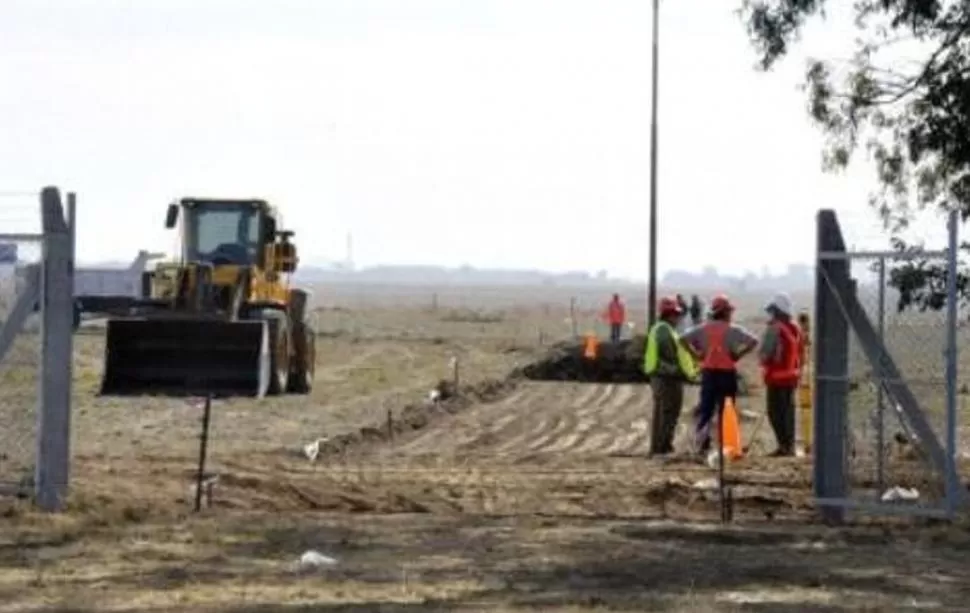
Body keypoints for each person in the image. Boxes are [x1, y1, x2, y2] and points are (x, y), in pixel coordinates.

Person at [681, 294, 759, 454]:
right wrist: (738, 354)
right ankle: (728, 445)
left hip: (709, 372)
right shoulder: (733, 330)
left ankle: (701, 445)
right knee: (727, 410)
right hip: (726, 374)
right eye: (729, 312)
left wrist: (696, 355)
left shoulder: (703, 328)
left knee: (706, 409)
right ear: (725, 313)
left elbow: (682, 339)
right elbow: (754, 341)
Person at [643, 296, 699, 456]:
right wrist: (681, 372)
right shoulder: (664, 331)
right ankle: (662, 447)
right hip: (667, 379)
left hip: (664, 377)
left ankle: (660, 447)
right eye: (676, 314)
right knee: (668, 414)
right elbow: (669, 357)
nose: (679, 318)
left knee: (665, 413)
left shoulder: (664, 329)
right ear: (669, 314)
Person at [759, 293, 804, 457]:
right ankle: (789, 446)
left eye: (772, 310)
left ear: (777, 310)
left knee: (774, 412)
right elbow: (801, 353)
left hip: (776, 378)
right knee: (788, 412)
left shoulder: (775, 328)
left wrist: (763, 363)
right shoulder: (796, 328)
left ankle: (783, 446)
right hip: (792, 377)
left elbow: (764, 354)